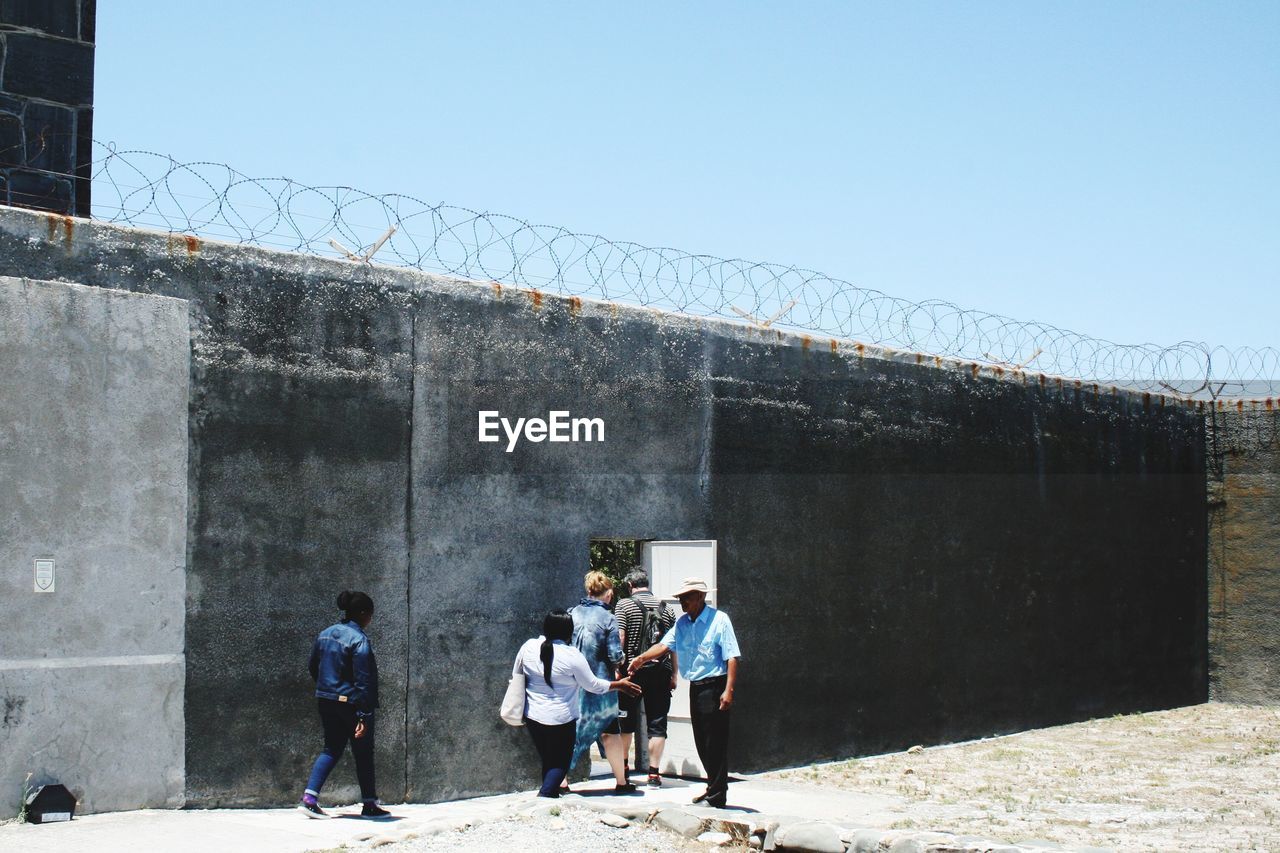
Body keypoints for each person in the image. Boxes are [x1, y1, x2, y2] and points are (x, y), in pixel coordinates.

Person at [627, 577, 740, 809]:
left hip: (715, 686)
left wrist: (728, 690)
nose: (682, 602)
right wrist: (640, 658)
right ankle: (712, 788)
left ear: (700, 596)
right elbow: (664, 646)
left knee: (714, 742)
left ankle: (718, 796)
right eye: (680, 598)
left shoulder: (720, 620)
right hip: (697, 687)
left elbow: (732, 657)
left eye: (686, 597)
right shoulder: (682, 624)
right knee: (701, 741)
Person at [514, 610, 641, 797]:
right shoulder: (572, 655)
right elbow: (593, 685)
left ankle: (551, 795)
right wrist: (619, 686)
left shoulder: (529, 647)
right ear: (569, 632)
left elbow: (517, 673)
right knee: (560, 763)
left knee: (548, 760)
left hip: (533, 716)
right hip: (562, 719)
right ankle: (545, 796)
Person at [299, 590, 390, 819]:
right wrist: (362, 714)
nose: (370, 619)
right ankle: (369, 804)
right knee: (363, 753)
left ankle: (309, 799)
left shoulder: (325, 634)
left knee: (331, 748)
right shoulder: (358, 639)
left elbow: (313, 667)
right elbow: (363, 679)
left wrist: (327, 690)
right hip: (351, 703)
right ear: (362, 614)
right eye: (370, 614)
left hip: (326, 700)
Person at [568, 571, 633, 791]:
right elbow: (615, 654)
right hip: (601, 684)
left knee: (572, 731)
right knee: (610, 731)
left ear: (588, 591)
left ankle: (561, 781)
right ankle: (621, 782)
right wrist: (622, 660)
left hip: (573, 685)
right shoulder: (608, 618)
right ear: (609, 594)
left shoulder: (572, 613)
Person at [614, 568, 678, 788]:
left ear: (630, 586)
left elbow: (620, 637)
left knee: (626, 722)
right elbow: (673, 645)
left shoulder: (624, 605)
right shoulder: (667, 608)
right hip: (661, 672)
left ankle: (623, 768)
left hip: (632, 672)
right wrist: (674, 673)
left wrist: (616, 667)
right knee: (657, 724)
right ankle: (654, 773)